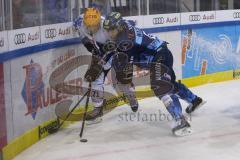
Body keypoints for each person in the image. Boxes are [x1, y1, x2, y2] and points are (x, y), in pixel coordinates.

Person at [103, 12, 205, 136]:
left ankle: (180, 121)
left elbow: (125, 65)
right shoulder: (125, 29)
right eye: (108, 30)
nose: (109, 33)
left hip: (159, 56)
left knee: (161, 86)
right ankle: (195, 100)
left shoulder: (124, 41)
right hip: (163, 54)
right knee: (169, 85)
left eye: (111, 30)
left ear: (119, 27)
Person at [73, 8, 139, 123]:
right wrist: (89, 45)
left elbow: (118, 44)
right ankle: (97, 109)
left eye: (94, 26)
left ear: (100, 22)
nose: (91, 29)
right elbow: (81, 33)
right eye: (88, 26)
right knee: (94, 78)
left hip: (117, 51)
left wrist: (102, 60)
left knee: (122, 81)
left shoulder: (108, 27)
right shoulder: (80, 21)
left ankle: (131, 96)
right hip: (100, 50)